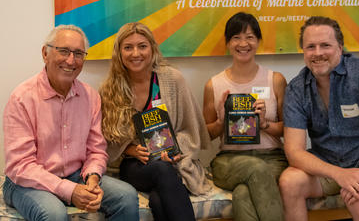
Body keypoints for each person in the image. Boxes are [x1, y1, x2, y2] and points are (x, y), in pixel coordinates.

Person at [2, 25, 139, 221]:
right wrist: (70, 190)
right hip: (26, 182)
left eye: (78, 53)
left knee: (125, 196)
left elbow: (97, 150)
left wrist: (92, 179)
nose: (71, 60)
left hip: (76, 175)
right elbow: (20, 165)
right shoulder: (22, 98)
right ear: (45, 53)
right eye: (64, 51)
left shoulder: (90, 96)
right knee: (53, 214)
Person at [279, 16, 359, 221]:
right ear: (303, 50)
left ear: (340, 47)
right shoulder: (296, 89)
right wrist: (339, 174)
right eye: (311, 46)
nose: (318, 53)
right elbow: (294, 152)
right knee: (289, 181)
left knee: (357, 195)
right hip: (329, 164)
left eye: (325, 45)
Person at [99, 22, 211, 221]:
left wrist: (175, 150)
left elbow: (191, 129)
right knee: (161, 169)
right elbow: (105, 141)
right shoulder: (110, 89)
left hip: (171, 163)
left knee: (159, 200)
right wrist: (130, 149)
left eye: (142, 46)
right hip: (134, 167)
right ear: (119, 52)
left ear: (152, 48)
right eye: (128, 47)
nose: (136, 53)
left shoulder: (172, 79)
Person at [203, 12, 288, 221]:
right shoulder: (213, 84)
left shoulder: (275, 80)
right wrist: (222, 122)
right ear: (228, 43)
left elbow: (289, 129)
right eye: (236, 37)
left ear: (258, 41)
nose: (243, 43)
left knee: (242, 194)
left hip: (272, 158)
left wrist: (265, 123)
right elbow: (204, 137)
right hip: (228, 160)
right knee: (255, 169)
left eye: (250, 37)